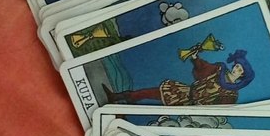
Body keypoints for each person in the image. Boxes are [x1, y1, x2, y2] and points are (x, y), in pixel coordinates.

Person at [103, 47, 255, 107]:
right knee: (148, 93)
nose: (236, 69)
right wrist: (195, 58)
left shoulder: (232, 95)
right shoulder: (219, 69)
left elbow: (218, 109)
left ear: (242, 75)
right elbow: (203, 68)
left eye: (239, 69)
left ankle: (123, 110)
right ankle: (116, 97)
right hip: (183, 92)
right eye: (236, 66)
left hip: (190, 109)